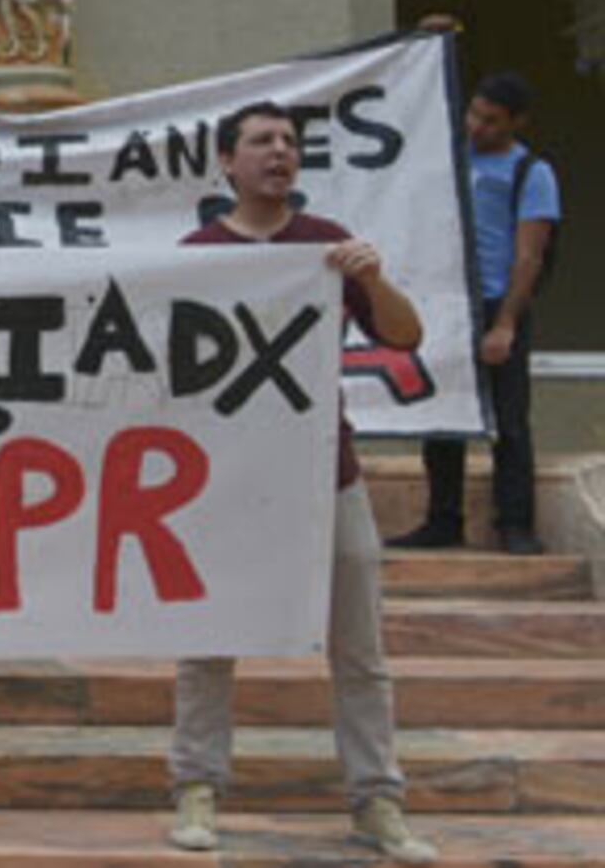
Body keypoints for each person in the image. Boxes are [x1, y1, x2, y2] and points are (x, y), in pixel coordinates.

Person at [166, 101, 436, 864]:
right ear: (228, 163)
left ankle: (378, 801)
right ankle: (197, 785)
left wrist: (373, 280)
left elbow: (406, 335)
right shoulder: (195, 254)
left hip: (329, 471)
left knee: (360, 647)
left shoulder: (328, 249)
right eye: (261, 141)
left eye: (288, 141)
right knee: (208, 637)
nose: (279, 152)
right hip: (225, 478)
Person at [389, 72, 557, 556]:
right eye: (474, 113)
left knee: (509, 420)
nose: (477, 125)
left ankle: (516, 523)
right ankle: (442, 519)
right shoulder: (447, 155)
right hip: (445, 299)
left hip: (495, 303)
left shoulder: (531, 173)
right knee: (442, 416)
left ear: (515, 122)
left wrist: (505, 323)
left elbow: (529, 256)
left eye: (491, 120)